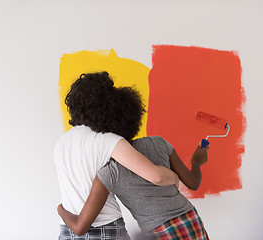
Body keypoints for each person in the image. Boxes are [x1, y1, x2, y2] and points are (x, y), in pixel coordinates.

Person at [57, 83, 210, 239]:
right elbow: (193, 183)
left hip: (158, 233)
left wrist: (60, 209)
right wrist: (196, 162)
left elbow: (80, 226)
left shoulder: (110, 172)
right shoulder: (158, 143)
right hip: (191, 220)